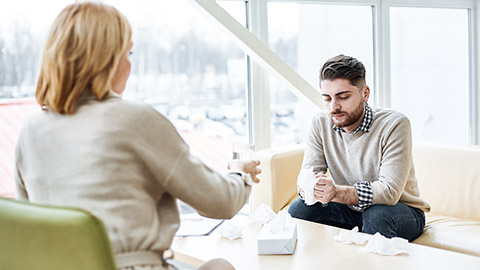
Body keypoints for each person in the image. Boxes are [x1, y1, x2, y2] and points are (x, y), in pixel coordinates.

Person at [14, 2, 261, 270]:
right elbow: (220, 202)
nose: (129, 65)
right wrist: (240, 174)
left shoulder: (30, 131)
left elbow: (32, 223)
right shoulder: (135, 119)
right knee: (220, 266)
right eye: (128, 52)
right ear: (106, 59)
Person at [288, 54, 430, 241]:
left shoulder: (395, 125)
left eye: (343, 97)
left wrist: (337, 192)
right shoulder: (320, 123)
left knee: (377, 215)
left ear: (365, 94)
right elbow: (307, 174)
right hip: (349, 210)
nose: (333, 107)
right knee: (299, 208)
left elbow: (388, 192)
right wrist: (311, 186)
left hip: (400, 212)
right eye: (327, 98)